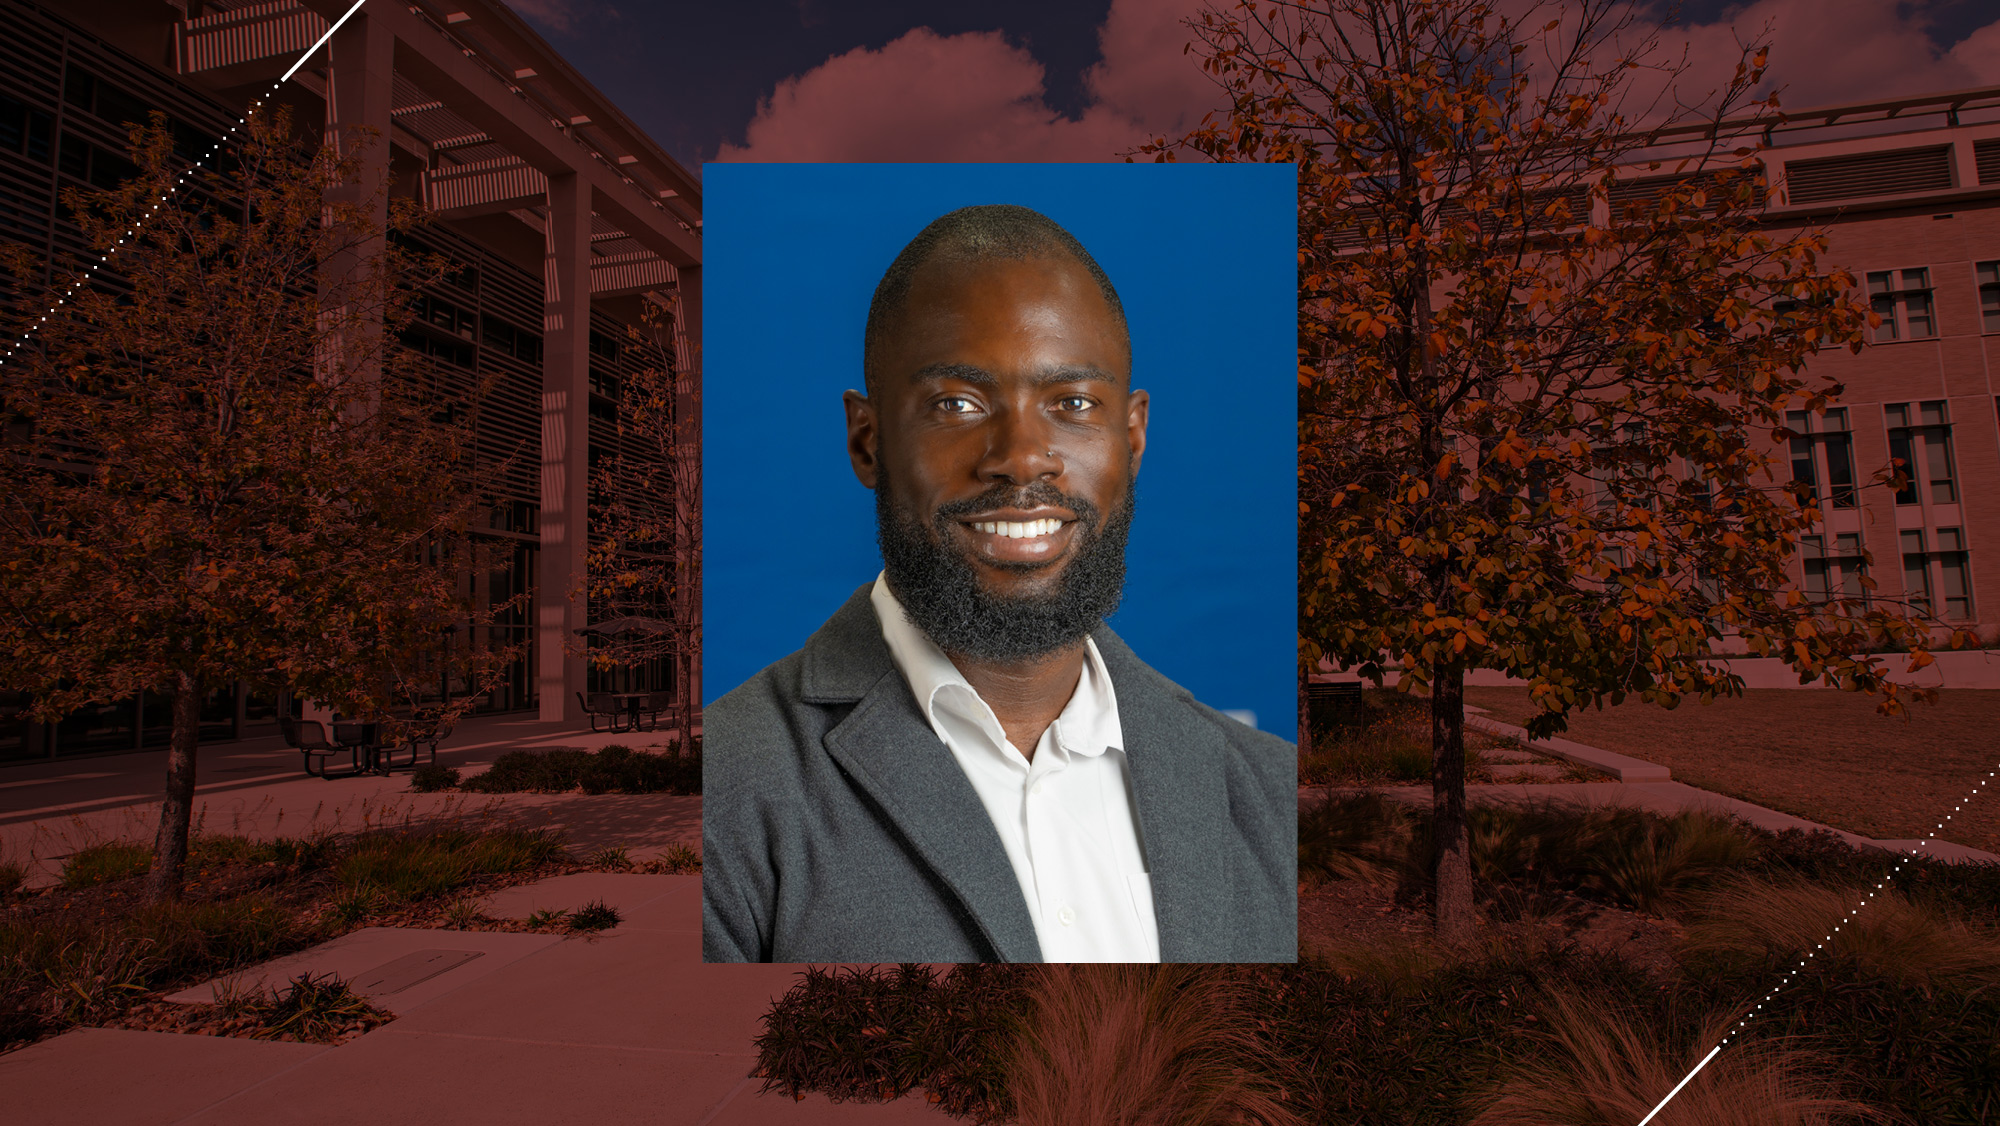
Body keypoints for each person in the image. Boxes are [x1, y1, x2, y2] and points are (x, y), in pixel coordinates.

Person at [701, 204, 1295, 963]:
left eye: (1072, 405)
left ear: (1133, 437)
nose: (1021, 457)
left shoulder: (1268, 789)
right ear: (867, 440)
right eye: (956, 404)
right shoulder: (728, 790)